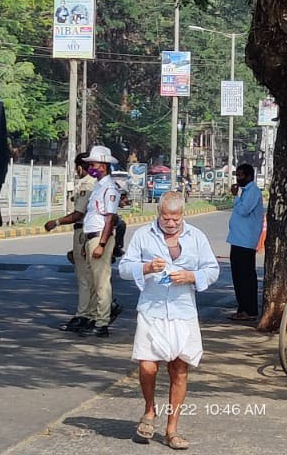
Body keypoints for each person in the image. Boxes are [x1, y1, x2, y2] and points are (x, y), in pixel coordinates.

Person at [119, 192, 219, 449]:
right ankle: (149, 410)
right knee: (147, 366)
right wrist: (146, 268)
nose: (171, 223)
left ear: (183, 215)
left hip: (183, 311)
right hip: (151, 310)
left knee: (179, 369)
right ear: (158, 214)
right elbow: (124, 268)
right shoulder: (143, 235)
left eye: (176, 219)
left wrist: (191, 276)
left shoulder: (196, 237)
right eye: (166, 218)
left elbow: (212, 269)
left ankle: (172, 429)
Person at [47, 153, 97, 332]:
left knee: (84, 278)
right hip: (91, 233)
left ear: (80, 167)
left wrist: (56, 222)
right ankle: (92, 315)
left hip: (83, 231)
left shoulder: (87, 185)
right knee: (91, 278)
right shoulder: (97, 183)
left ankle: (83, 315)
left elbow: (78, 214)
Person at [76, 146, 122, 336]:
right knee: (93, 282)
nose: (90, 168)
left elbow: (110, 218)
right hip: (91, 237)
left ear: (103, 166)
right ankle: (94, 317)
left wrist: (101, 244)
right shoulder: (98, 186)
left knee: (101, 282)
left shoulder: (109, 188)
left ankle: (102, 323)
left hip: (100, 238)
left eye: (93, 165)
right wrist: (86, 244)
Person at [225, 164, 263, 322]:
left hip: (245, 241)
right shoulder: (246, 191)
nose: (238, 179)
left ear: (249, 176)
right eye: (237, 176)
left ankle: (250, 310)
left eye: (240, 176)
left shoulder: (253, 191)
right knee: (238, 277)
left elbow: (243, 210)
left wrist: (235, 196)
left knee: (246, 277)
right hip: (237, 239)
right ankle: (242, 309)